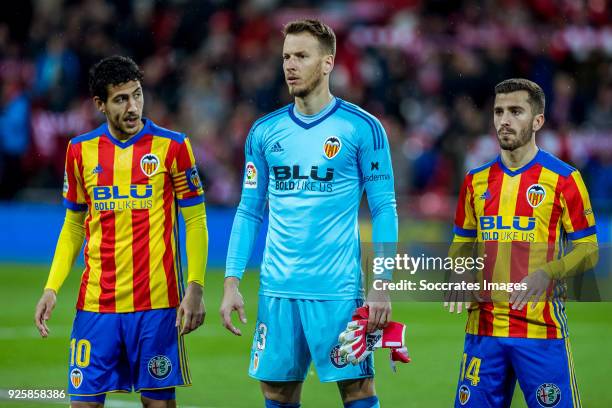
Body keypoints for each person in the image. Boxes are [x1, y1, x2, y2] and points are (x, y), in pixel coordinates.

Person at [220, 19, 398, 408]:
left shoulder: (362, 128)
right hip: (278, 289)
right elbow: (249, 211)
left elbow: (384, 208)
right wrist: (232, 281)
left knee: (357, 391)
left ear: (328, 62)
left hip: (337, 290)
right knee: (276, 393)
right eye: (286, 56)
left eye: (301, 55)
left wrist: (382, 282)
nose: (290, 65)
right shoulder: (264, 132)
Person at [34, 55, 208, 408]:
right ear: (99, 104)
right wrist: (51, 288)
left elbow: (196, 221)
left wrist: (195, 288)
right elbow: (73, 225)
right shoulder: (80, 151)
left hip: (157, 306)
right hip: (97, 306)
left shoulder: (173, 147)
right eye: (121, 99)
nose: (133, 107)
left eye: (137, 95)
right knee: (83, 403)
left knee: (157, 405)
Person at [447, 78, 598, 407]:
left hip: (541, 333)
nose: (504, 120)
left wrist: (549, 271)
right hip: (483, 330)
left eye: (516, 111)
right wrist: (458, 272)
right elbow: (461, 242)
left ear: (538, 120)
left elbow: (589, 249)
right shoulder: (476, 180)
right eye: (499, 111)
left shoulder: (564, 179)